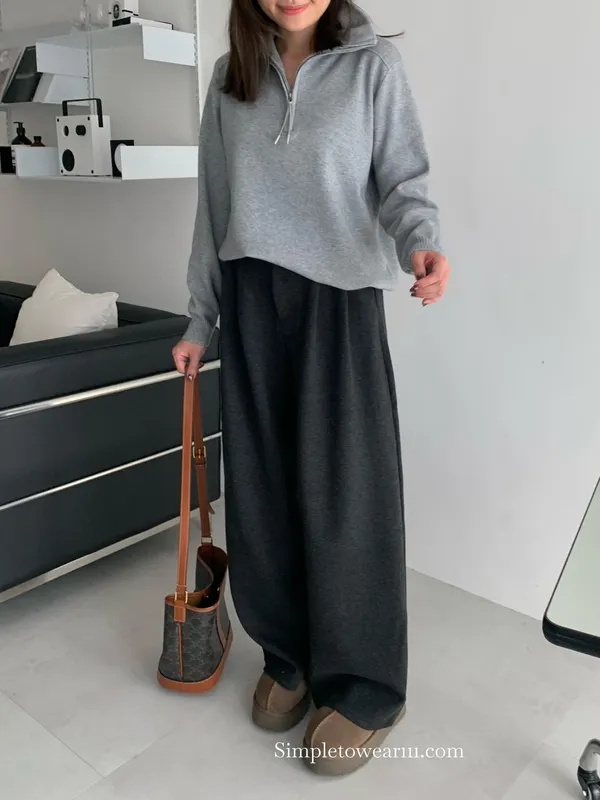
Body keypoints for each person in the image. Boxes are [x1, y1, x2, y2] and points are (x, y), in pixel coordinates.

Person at [173, 0, 451, 776]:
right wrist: (200, 318)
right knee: (262, 491)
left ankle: (364, 687)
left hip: (339, 302)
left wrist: (422, 244)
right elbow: (213, 208)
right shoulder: (229, 78)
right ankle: (288, 654)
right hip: (251, 302)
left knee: (347, 495)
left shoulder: (373, 66)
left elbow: (402, 179)